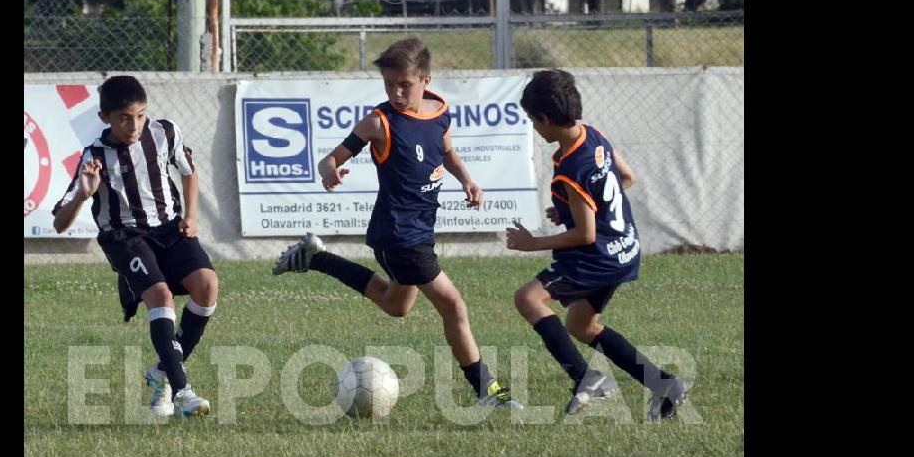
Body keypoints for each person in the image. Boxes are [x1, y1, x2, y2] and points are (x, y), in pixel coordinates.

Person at [273, 38, 521, 409]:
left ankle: (316, 257)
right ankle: (489, 392)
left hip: (420, 229)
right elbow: (331, 158)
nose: (396, 92)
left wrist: (467, 180)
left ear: (425, 80)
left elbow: (448, 151)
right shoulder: (379, 122)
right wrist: (330, 172)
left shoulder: (440, 111)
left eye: (404, 84)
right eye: (389, 84)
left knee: (396, 305)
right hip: (399, 234)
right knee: (453, 306)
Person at [505, 69, 687, 422]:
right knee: (582, 325)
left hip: (597, 256)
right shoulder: (593, 135)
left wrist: (532, 243)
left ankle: (586, 377)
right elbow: (626, 177)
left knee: (527, 298)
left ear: (545, 119)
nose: (534, 128)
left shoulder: (571, 167)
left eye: (532, 121)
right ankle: (663, 384)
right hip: (625, 249)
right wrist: (573, 212)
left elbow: (585, 235)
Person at [51, 75, 218, 418]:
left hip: (170, 228)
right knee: (161, 296)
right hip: (124, 237)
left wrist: (192, 216)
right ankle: (182, 390)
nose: (135, 125)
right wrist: (83, 195)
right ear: (105, 118)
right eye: (125, 118)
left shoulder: (165, 132)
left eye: (140, 115)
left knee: (207, 288)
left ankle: (160, 372)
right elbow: (59, 221)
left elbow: (188, 171)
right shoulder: (94, 156)